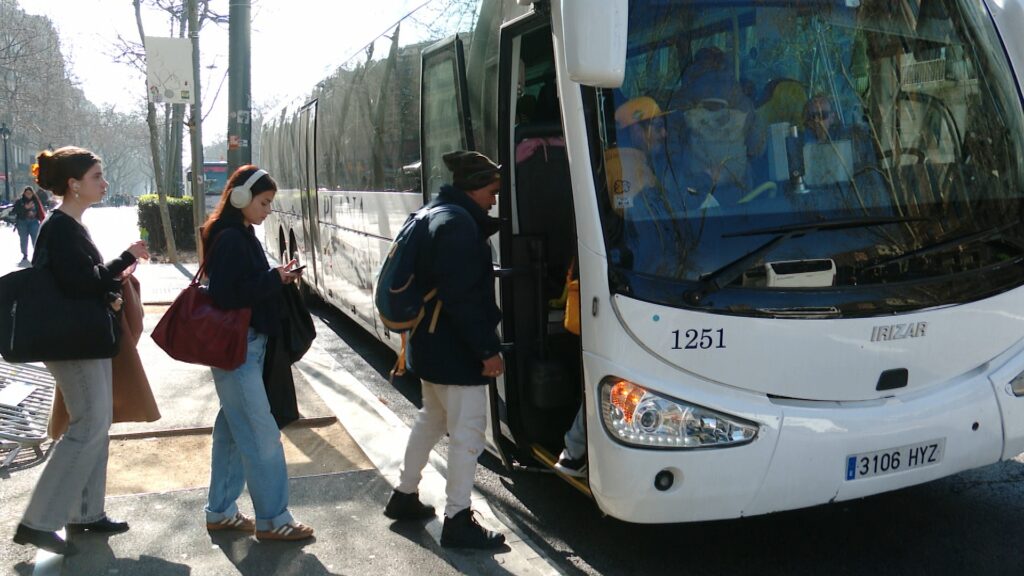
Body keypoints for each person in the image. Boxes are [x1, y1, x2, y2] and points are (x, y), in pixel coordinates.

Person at [12, 146, 150, 555]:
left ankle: (86, 513)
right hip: (74, 344)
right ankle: (38, 521)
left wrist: (116, 273)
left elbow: (81, 280)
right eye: (96, 176)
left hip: (82, 340)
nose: (103, 183)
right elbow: (80, 285)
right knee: (88, 427)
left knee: (94, 425)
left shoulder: (67, 225)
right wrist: (125, 258)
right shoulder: (61, 227)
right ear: (73, 185)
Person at [383, 150, 506, 550]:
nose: (494, 199)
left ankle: (404, 494)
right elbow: (464, 299)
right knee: (467, 434)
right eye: (491, 191)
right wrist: (487, 350)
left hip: (428, 345)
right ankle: (457, 519)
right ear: (472, 188)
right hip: (455, 351)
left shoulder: (431, 214)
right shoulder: (456, 226)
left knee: (431, 419)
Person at [200, 165, 313, 541]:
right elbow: (228, 295)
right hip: (240, 349)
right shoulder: (233, 238)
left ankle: (221, 511)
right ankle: (273, 519)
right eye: (263, 202)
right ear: (241, 198)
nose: (267, 210)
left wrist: (275, 277)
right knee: (262, 436)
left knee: (233, 432)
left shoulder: (237, 232)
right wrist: (275, 278)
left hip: (243, 347)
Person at [12, 185, 46, 265]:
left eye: (30, 193)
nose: (29, 195)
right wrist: (25, 208)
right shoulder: (20, 201)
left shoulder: (36, 201)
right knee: (24, 239)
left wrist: (42, 220)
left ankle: (37, 254)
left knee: (36, 238)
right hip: (22, 222)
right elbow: (15, 210)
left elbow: (40, 211)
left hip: (33, 221)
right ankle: (25, 254)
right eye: (27, 193)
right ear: (24, 193)